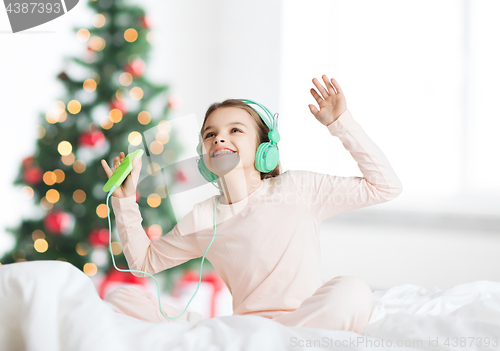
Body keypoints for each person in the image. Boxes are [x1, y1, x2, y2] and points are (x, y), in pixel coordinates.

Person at [101, 75, 403, 334]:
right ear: (204, 155)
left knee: (352, 292)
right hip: (245, 331)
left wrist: (341, 124)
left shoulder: (297, 187)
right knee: (122, 298)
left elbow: (386, 187)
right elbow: (144, 264)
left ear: (264, 148)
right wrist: (124, 201)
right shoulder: (204, 216)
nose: (219, 139)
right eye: (210, 134)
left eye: (235, 130)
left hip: (304, 322)